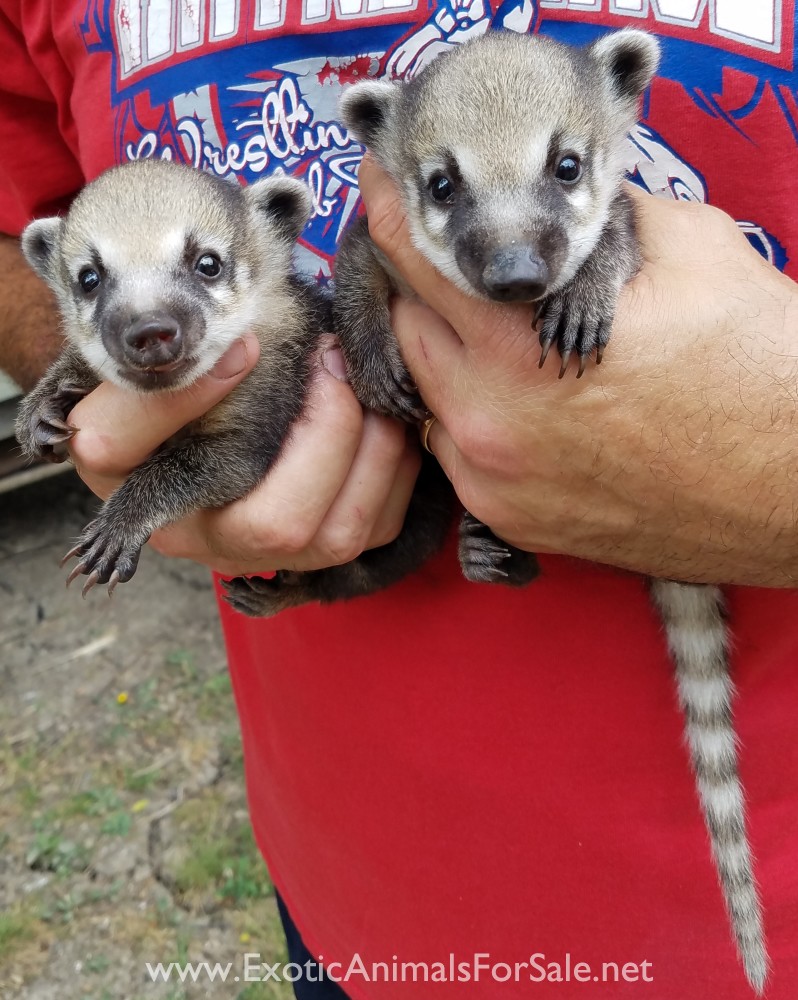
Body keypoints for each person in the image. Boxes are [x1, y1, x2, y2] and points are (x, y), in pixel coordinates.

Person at [1, 2, 797, 997]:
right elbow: (24, 208)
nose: (512, 260)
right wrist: (119, 395)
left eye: (560, 175)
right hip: (351, 870)